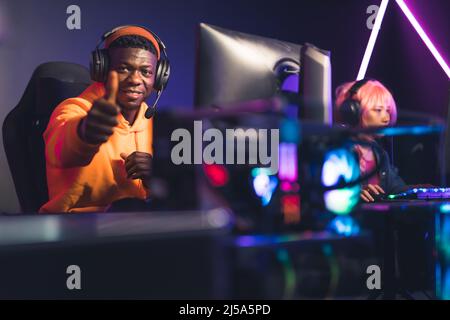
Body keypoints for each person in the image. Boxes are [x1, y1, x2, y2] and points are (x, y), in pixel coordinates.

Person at [39, 26, 168, 213]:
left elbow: (164, 194)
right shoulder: (74, 110)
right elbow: (61, 148)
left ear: (158, 77)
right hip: (77, 231)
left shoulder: (153, 121)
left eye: (145, 72)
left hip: (136, 226)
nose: (135, 79)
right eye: (124, 69)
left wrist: (154, 176)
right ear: (103, 69)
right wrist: (87, 131)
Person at [334, 79, 408, 202]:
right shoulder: (338, 150)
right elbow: (326, 190)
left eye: (388, 111)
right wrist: (352, 192)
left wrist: (422, 190)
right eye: (378, 110)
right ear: (353, 112)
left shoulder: (379, 153)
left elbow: (396, 189)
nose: (386, 118)